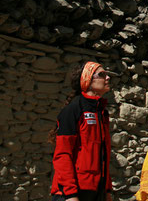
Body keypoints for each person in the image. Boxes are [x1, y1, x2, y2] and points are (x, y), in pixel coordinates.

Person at [50, 61, 112, 201]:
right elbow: (63, 154)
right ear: (88, 79)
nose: (107, 78)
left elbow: (103, 155)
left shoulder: (101, 113)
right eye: (102, 75)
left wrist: (106, 190)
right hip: (71, 193)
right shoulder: (73, 110)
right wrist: (71, 195)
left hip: (96, 192)